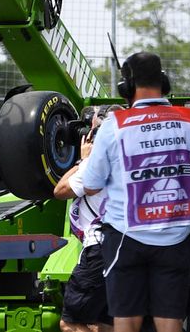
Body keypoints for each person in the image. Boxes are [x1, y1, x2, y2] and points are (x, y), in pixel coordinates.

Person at [81, 52, 190, 332]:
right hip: (175, 237)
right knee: (170, 321)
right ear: (164, 82)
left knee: (127, 320)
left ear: (127, 87)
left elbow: (90, 185)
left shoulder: (114, 125)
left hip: (125, 237)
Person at [54, 105, 121, 332]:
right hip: (126, 249)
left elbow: (60, 190)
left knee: (70, 323)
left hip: (100, 250)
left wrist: (83, 160)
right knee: (103, 325)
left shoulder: (97, 164)